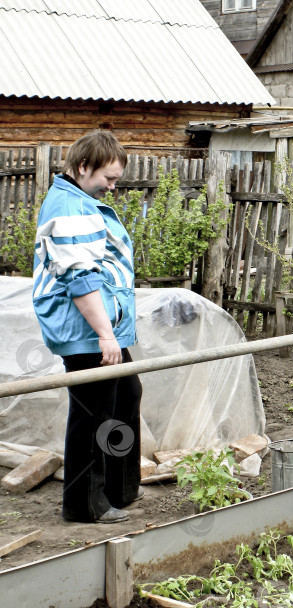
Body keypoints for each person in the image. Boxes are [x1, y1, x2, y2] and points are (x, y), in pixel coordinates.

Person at [32, 131, 142, 524]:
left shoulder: (80, 200)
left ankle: (118, 488)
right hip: (85, 327)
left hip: (96, 323)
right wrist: (105, 333)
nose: (113, 186)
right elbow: (80, 278)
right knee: (94, 413)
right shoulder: (68, 208)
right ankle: (84, 504)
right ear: (82, 167)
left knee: (126, 394)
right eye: (108, 178)